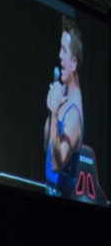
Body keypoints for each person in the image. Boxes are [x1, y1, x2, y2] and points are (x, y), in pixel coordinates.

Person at [44, 15, 83, 196]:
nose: (59, 56)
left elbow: (56, 165)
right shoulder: (64, 99)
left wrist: (54, 113)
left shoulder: (74, 114)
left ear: (74, 63)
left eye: (64, 50)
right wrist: (51, 109)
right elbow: (47, 147)